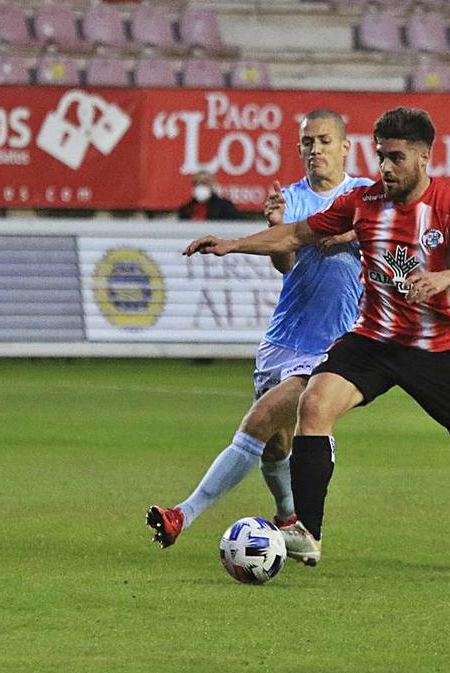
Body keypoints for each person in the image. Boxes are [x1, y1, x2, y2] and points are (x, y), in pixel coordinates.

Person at [183, 107, 450, 576]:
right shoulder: (365, 200)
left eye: (396, 157)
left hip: (435, 353)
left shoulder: (449, 206)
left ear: (423, 157)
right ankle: (307, 533)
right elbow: (296, 233)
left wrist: (444, 277)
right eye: (381, 157)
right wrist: (233, 243)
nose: (386, 168)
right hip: (372, 340)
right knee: (314, 403)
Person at [148, 109, 374, 566]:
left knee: (258, 420)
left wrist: (348, 232)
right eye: (308, 142)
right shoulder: (289, 200)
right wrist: (275, 230)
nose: (316, 150)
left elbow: (376, 242)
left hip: (331, 347)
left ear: (346, 147)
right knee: (275, 444)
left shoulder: (363, 196)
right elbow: (286, 264)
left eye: (325, 141)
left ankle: (182, 515)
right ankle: (291, 523)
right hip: (282, 338)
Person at [176, 171, 241, 221]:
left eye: (205, 182)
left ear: (212, 185)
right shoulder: (186, 209)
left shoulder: (226, 208)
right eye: (197, 183)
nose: (200, 185)